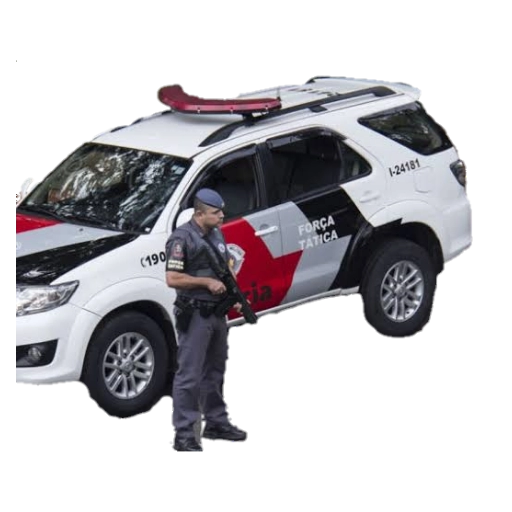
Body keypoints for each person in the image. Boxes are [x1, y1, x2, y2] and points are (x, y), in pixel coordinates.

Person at [165, 188, 248, 452]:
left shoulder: (216, 233)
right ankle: (184, 434)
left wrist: (235, 296)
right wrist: (205, 282)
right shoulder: (181, 239)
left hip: (216, 313)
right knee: (189, 375)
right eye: (215, 212)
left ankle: (216, 423)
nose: (222, 215)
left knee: (215, 371)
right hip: (195, 315)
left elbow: (226, 267)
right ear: (199, 214)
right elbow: (172, 278)